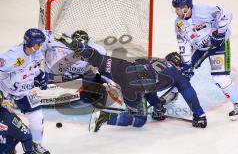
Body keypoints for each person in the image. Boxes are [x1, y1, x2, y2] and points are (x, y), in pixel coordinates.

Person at [55, 33, 207, 131]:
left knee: (98, 58)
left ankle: (79, 47)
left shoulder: (155, 59)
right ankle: (106, 116)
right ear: (178, 65)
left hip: (122, 67)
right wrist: (199, 115)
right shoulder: (177, 74)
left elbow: (149, 83)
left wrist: (158, 107)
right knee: (139, 119)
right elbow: (190, 94)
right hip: (133, 86)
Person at [171, 0, 238, 119]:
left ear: (186, 7)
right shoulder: (178, 24)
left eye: (178, 9)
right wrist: (186, 63)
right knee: (182, 73)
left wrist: (219, 34)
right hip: (199, 48)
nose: (176, 12)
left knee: (220, 78)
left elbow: (226, 14)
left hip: (219, 45)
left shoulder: (203, 11)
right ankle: (171, 96)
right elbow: (184, 42)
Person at [0, 28, 50, 154]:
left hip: (26, 91)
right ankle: (8, 148)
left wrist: (40, 76)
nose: (40, 46)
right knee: (8, 125)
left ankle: (36, 145)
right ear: (33, 44)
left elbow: (33, 68)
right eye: (39, 44)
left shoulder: (36, 53)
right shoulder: (13, 56)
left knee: (38, 118)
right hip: (7, 93)